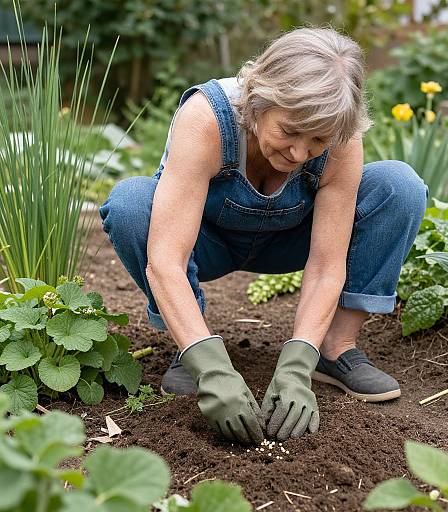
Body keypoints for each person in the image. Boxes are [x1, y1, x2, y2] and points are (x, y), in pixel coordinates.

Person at [99, 27, 428, 445]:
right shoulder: (207, 118)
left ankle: (333, 348)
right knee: (130, 203)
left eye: (317, 141)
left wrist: (296, 364)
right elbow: (166, 260)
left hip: (289, 239)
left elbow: (328, 264)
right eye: (289, 131)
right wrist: (212, 368)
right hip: (207, 241)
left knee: (399, 186)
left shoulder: (340, 135)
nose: (298, 154)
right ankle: (191, 348)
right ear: (258, 99)